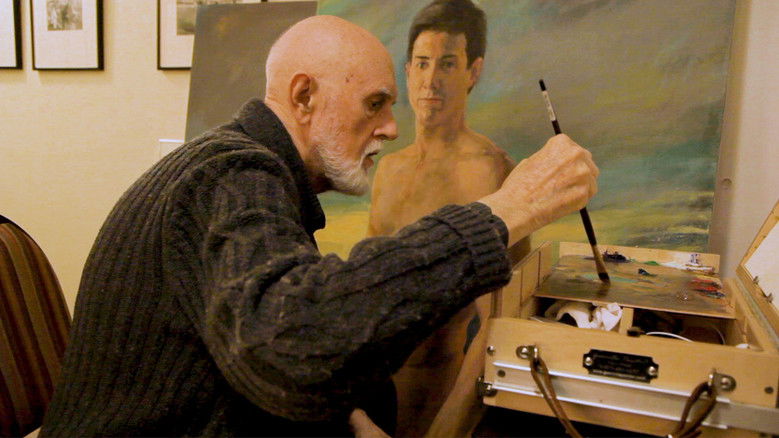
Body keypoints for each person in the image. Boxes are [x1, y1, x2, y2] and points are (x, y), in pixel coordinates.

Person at [40, 15, 598, 438]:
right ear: (304, 97)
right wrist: (505, 210)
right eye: (375, 104)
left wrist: (346, 416)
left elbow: (261, 332)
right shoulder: (232, 174)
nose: (391, 127)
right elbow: (294, 344)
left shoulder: (241, 168)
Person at [367, 1, 526, 435]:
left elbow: (499, 323)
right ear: (407, 71)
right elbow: (367, 297)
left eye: (447, 63)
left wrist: (449, 428)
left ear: (473, 72)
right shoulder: (389, 168)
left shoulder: (491, 171)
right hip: (372, 399)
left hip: (438, 402)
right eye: (422, 63)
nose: (430, 80)